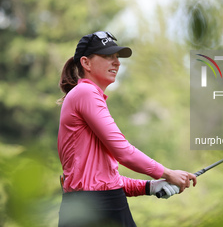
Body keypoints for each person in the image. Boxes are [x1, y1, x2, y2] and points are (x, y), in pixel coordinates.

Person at [57, 31, 197, 227]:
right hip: (99, 209)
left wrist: (150, 186)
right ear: (86, 63)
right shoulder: (86, 92)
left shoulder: (83, 95)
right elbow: (123, 152)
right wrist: (167, 173)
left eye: (117, 57)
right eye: (107, 56)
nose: (117, 63)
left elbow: (104, 180)